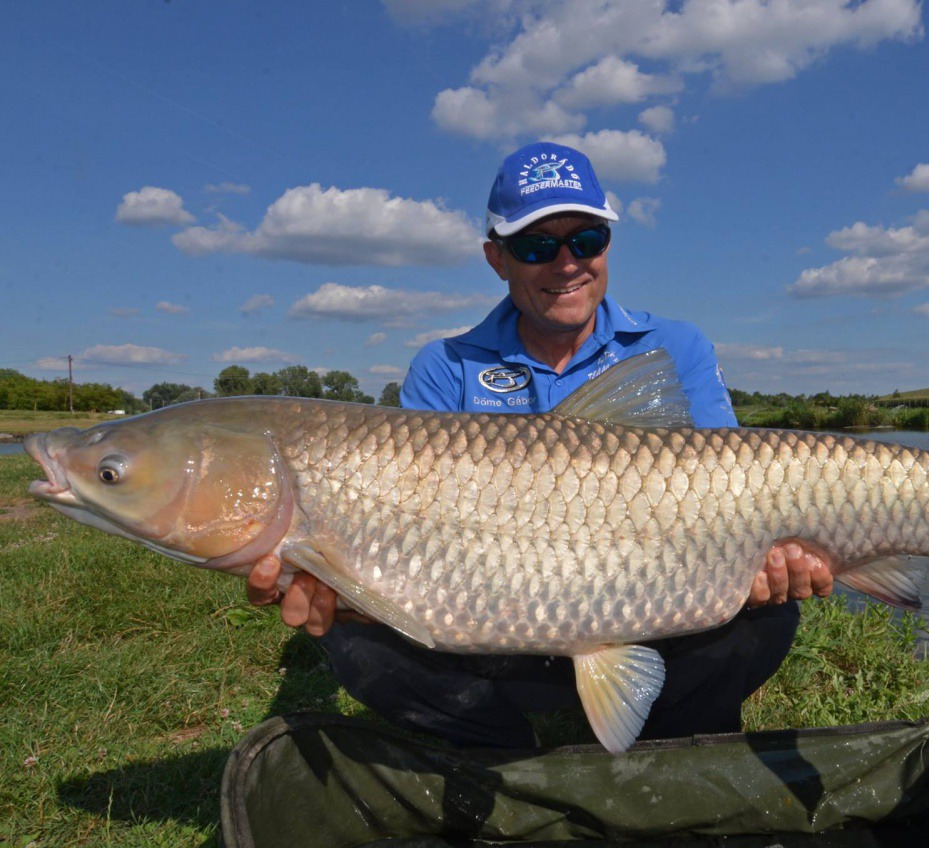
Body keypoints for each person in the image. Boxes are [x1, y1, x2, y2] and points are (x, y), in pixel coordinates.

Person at [247, 141, 834, 748]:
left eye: (586, 240)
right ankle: (503, 761)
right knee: (353, 635)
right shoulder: (446, 366)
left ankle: (672, 746)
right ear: (496, 258)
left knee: (763, 613)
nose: (566, 263)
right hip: (498, 635)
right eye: (535, 245)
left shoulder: (674, 347)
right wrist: (348, 579)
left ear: (607, 244)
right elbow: (402, 533)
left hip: (661, 610)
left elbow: (737, 495)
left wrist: (767, 561)